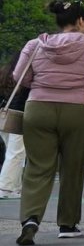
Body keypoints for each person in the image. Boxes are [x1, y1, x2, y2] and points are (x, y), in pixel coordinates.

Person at [13, 0, 84, 244]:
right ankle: (68, 224)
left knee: (37, 167)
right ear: (81, 21)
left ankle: (30, 218)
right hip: (79, 110)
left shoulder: (35, 45)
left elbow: (19, 76)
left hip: (38, 108)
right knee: (72, 167)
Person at [0, 56, 30, 199]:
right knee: (16, 153)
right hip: (18, 116)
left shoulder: (5, 74)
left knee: (13, 153)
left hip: (4, 117)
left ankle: (15, 187)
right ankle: (5, 188)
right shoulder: (25, 77)